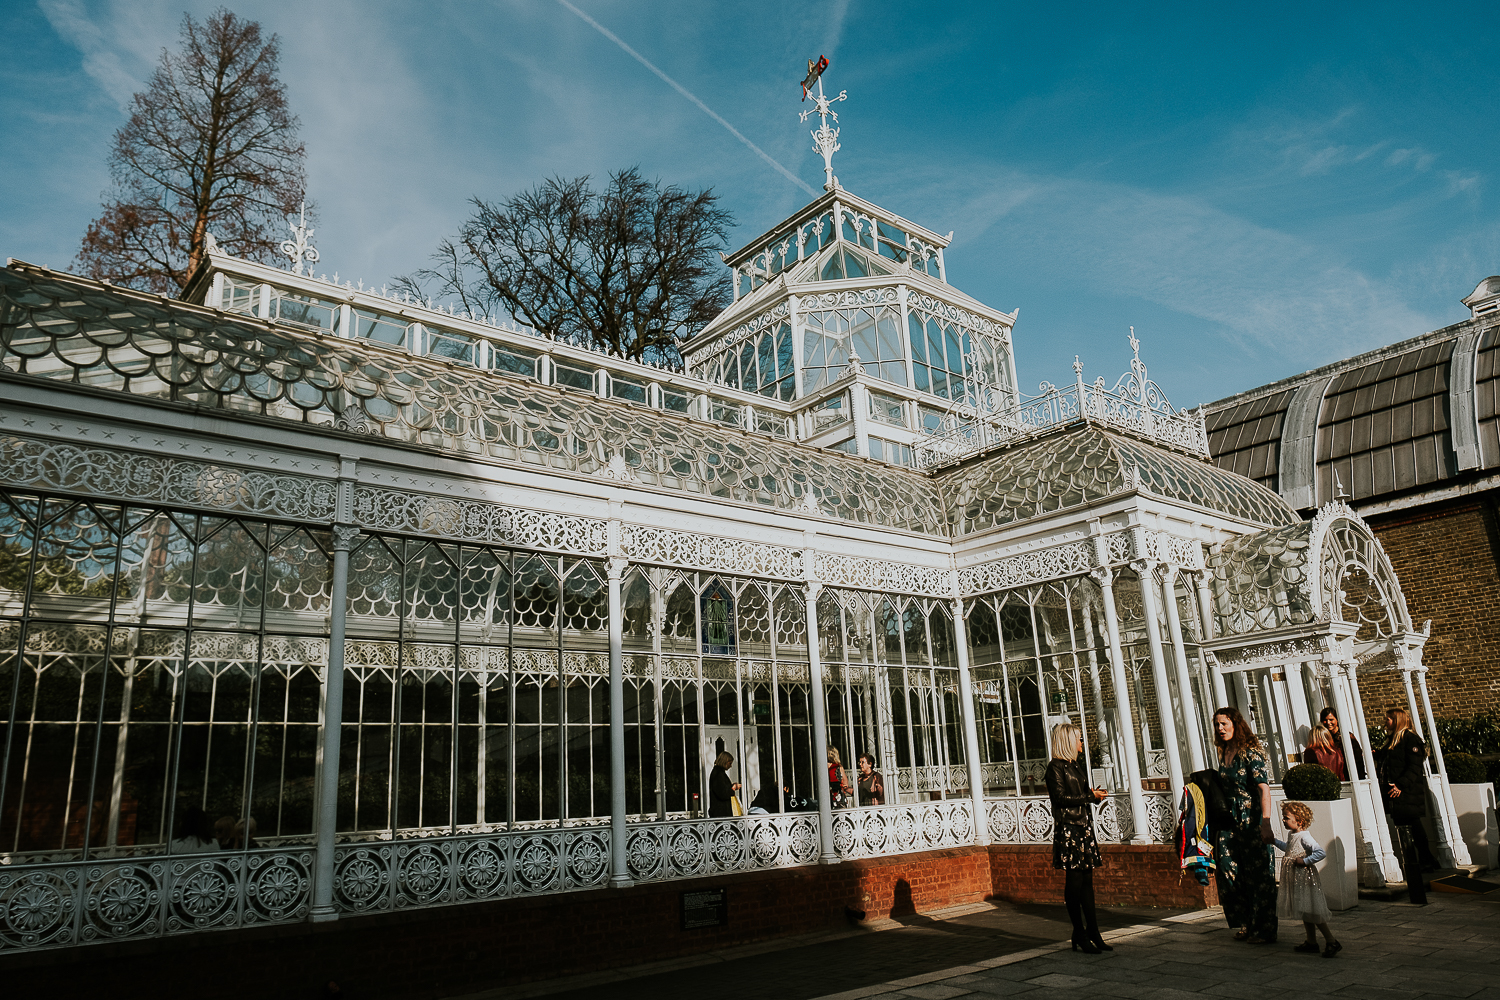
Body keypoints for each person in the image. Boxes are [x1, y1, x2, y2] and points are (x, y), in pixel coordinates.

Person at [1212, 706, 1278, 944]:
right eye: (1217, 724)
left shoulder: (1250, 753)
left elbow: (1264, 789)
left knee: (1258, 875)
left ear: (1235, 724)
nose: (1220, 729)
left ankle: (1264, 929)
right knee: (1227, 868)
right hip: (1229, 820)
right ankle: (1246, 921)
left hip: (1251, 818)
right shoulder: (1224, 752)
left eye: (1224, 724)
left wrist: (1266, 823)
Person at [1045, 722, 1110, 955]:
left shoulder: (1075, 766)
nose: (1082, 743)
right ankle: (1079, 931)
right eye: (1079, 739)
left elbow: (1078, 794)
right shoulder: (1055, 768)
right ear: (1068, 742)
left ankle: (1093, 931)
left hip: (1083, 826)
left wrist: (1092, 795)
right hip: (1069, 828)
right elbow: (1060, 798)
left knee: (1087, 882)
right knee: (1074, 882)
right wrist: (1088, 796)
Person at [1275, 800, 1341, 958]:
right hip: (1297, 879)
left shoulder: (1305, 837)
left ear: (1299, 820)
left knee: (1312, 909)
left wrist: (1304, 861)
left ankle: (1331, 940)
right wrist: (1274, 842)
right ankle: (1311, 941)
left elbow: (1320, 853)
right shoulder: (1293, 835)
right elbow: (1289, 848)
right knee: (1305, 909)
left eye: (1286, 817)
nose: (1283, 820)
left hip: (1305, 879)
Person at [1378, 707, 1439, 871]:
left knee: (1413, 825)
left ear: (1396, 720)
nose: (1386, 722)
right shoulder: (1393, 740)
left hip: (1406, 792)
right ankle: (1424, 860)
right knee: (1404, 824)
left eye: (1388, 719)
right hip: (1394, 791)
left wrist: (1401, 785)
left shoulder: (1410, 739)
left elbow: (1414, 767)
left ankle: (1425, 860)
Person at [1318, 708, 1366, 780]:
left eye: (1331, 719)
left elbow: (1358, 758)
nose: (1328, 723)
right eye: (1325, 720)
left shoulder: (1346, 737)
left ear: (1337, 720)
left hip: (1349, 775)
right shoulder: (1324, 738)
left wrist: (1360, 778)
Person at [708, 751, 740, 818]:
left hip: (720, 813)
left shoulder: (718, 772)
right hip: (721, 813)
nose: (730, 766)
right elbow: (722, 793)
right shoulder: (718, 774)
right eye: (730, 763)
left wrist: (731, 786)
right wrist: (733, 788)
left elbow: (721, 788)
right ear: (725, 761)